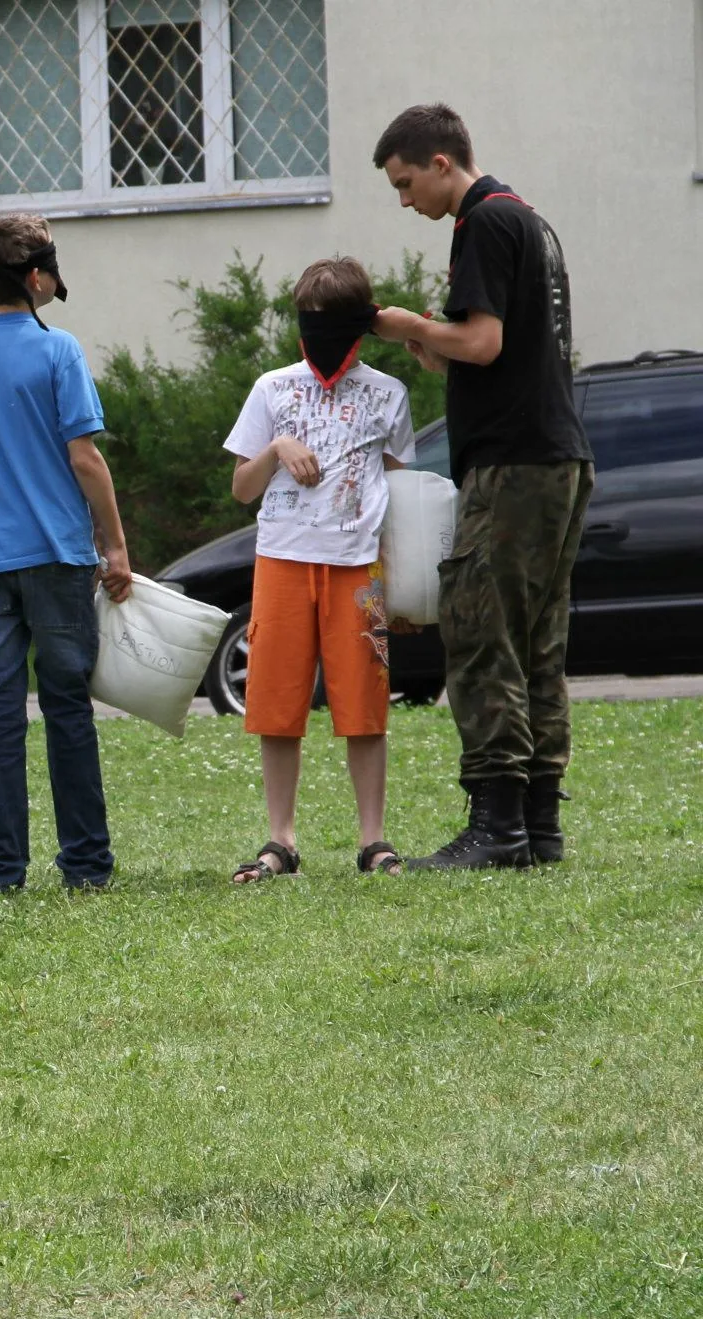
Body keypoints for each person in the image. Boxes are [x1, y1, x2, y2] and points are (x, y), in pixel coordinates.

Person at [369, 104, 595, 868]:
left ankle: (496, 826)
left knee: (479, 627)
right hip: (560, 455)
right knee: (537, 640)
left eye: (406, 183)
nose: (405, 202)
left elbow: (483, 338)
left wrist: (410, 328)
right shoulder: (529, 221)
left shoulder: (483, 224)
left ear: (441, 162)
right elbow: (502, 350)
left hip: (513, 461)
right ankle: (539, 824)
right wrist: (447, 348)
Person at [0, 212, 134, 895]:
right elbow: (85, 457)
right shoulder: (59, 351)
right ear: (38, 276)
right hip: (56, 559)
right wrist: (115, 546)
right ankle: (84, 865)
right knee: (66, 706)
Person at [223, 257, 418, 883]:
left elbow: (401, 490)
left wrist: (405, 579)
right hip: (281, 562)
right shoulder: (271, 389)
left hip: (358, 570)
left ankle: (373, 841)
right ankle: (280, 840)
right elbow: (240, 489)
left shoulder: (388, 394)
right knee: (277, 705)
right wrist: (276, 449)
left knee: (364, 705)